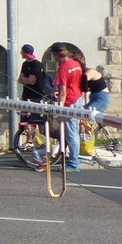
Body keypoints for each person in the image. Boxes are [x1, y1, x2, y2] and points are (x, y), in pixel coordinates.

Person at [53, 43, 86, 171]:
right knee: (75, 131)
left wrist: (60, 109)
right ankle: (75, 157)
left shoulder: (63, 68)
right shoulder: (75, 64)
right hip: (78, 99)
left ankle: (74, 163)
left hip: (70, 102)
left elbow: (63, 92)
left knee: (71, 134)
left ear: (57, 55)